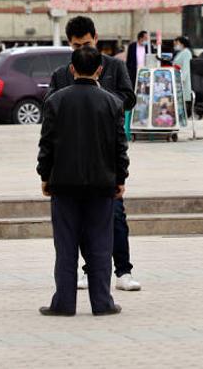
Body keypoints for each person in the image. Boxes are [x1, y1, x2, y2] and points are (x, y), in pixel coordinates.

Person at [50, 15, 141, 293]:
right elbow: (49, 114)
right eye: (77, 45)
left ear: (96, 39)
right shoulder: (61, 74)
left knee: (115, 214)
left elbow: (129, 98)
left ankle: (123, 271)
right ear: (69, 44)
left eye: (87, 43)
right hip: (73, 158)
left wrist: (99, 97)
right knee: (79, 221)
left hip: (105, 155)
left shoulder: (113, 66)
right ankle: (88, 271)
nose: (82, 49)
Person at [37, 46, 128, 318]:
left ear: (72, 69)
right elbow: (119, 147)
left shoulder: (55, 101)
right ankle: (102, 302)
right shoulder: (113, 103)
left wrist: (44, 175)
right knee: (101, 244)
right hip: (102, 184)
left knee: (65, 246)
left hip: (63, 184)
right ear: (100, 69)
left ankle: (64, 303)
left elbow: (47, 144)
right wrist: (120, 178)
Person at [170, 35, 194, 118]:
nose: (175, 45)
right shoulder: (181, 52)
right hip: (177, 78)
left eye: (177, 43)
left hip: (182, 81)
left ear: (182, 44)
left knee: (182, 99)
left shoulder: (187, 53)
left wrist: (181, 80)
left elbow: (186, 67)